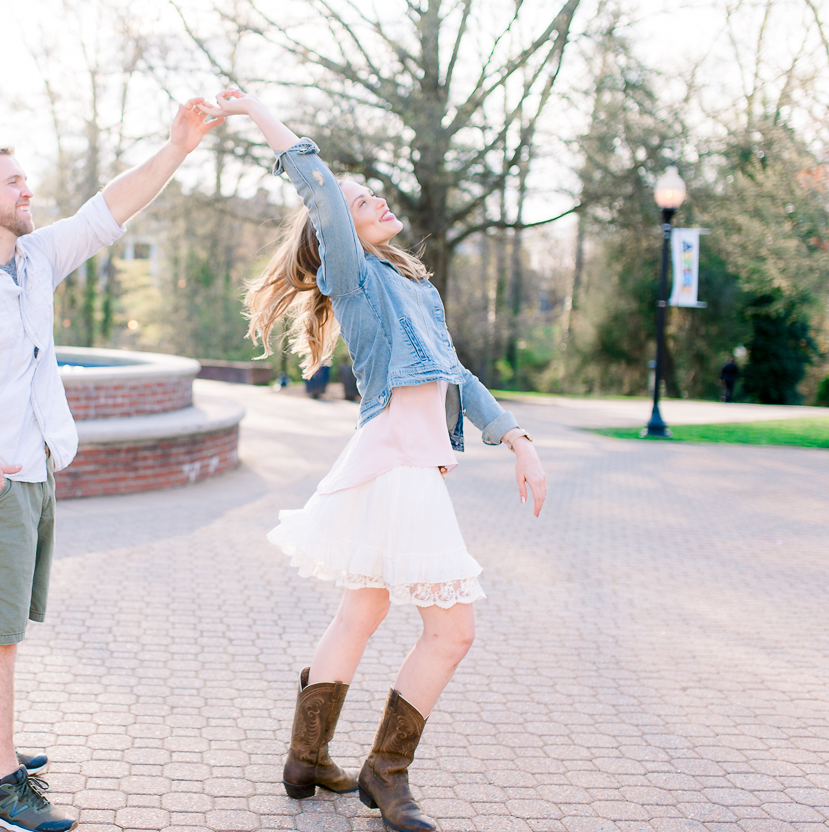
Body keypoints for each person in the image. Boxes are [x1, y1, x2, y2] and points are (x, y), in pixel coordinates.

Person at [199, 89, 547, 832]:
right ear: (337, 232)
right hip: (394, 464)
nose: (374, 198)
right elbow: (316, 185)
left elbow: (458, 377)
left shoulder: (415, 284)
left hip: (402, 463)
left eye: (372, 193)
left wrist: (517, 438)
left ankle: (306, 757)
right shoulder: (352, 276)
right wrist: (259, 110)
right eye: (359, 201)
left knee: (364, 607)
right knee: (452, 631)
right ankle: (385, 778)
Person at [0, 101, 223, 832]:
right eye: (13, 183)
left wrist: (176, 149)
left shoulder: (35, 259)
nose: (28, 192)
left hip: (31, 473)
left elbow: (110, 209)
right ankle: (0, 786)